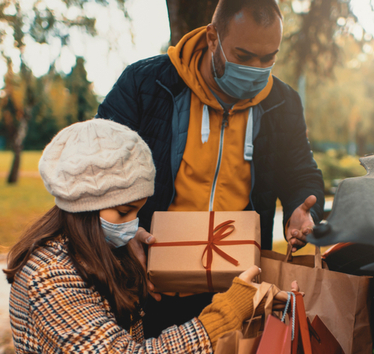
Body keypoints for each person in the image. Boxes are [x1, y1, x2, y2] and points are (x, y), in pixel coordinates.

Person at [4, 119, 285, 354]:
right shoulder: (49, 277)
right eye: (123, 212)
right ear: (85, 206)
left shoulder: (103, 253)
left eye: (137, 209)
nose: (133, 223)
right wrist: (226, 314)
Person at [96, 0, 325, 334]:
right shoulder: (145, 84)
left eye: (268, 58)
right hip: (150, 285)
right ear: (212, 38)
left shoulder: (283, 102)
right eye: (244, 56)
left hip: (236, 295)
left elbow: (300, 171)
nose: (256, 69)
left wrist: (300, 208)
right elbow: (98, 168)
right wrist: (124, 232)